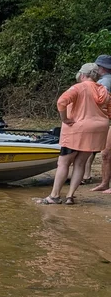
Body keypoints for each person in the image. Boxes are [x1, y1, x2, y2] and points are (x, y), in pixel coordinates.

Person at [38, 63, 111, 205]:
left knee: (63, 162)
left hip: (77, 129)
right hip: (98, 130)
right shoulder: (104, 90)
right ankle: (70, 196)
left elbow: (61, 102)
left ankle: (54, 196)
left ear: (82, 74)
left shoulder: (78, 88)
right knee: (80, 163)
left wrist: (65, 119)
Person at [90, 55, 111, 193]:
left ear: (102, 68)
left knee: (107, 153)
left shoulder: (106, 81)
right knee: (106, 154)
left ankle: (105, 183)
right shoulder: (104, 80)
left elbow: (99, 101)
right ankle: (104, 183)